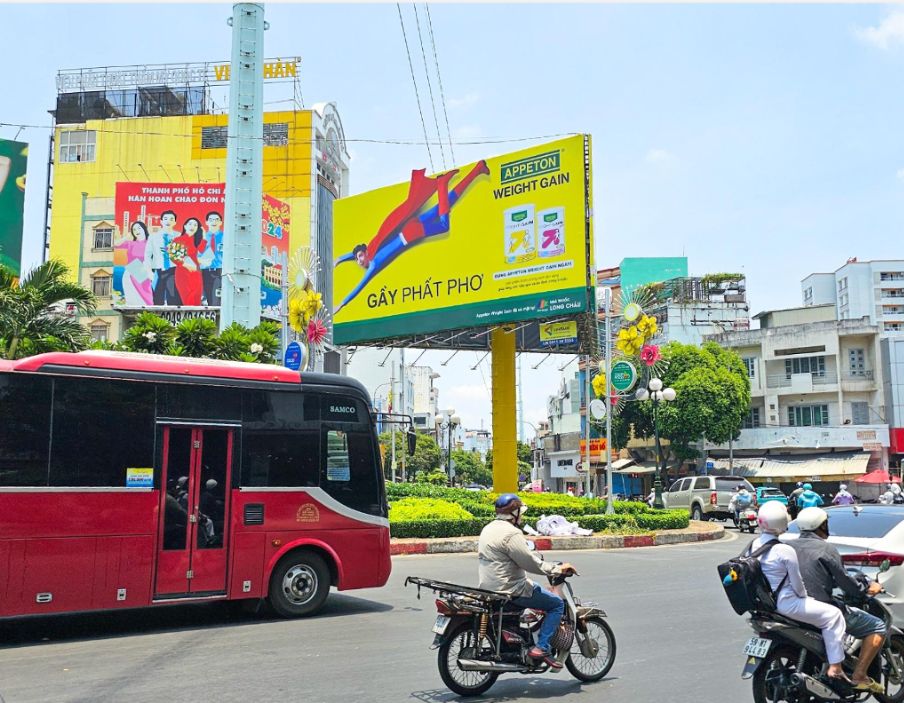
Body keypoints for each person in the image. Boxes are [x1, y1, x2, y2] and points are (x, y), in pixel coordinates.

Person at [334, 160, 490, 314]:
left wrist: (341, 304)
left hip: (410, 234)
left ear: (366, 253)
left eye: (360, 256)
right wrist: (340, 259)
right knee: (443, 205)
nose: (359, 261)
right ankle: (477, 170)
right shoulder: (372, 248)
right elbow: (355, 254)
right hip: (409, 225)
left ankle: (442, 184)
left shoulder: (372, 264)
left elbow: (358, 287)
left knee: (444, 225)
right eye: (357, 259)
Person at [790, 507, 886, 694]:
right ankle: (859, 675)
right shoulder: (827, 549)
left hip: (791, 607)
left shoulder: (788, 546)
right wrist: (865, 588)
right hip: (820, 608)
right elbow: (846, 583)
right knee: (877, 626)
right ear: (822, 525)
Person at [478, 493, 576, 667]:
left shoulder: (488, 528)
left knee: (538, 593)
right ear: (514, 514)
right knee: (556, 604)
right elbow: (530, 563)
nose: (521, 516)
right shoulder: (511, 533)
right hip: (511, 588)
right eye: (520, 513)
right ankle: (542, 646)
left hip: (488, 587)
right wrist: (555, 569)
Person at [753, 501, 848, 681]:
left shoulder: (754, 546)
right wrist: (807, 598)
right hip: (787, 604)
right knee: (834, 615)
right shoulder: (784, 550)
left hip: (765, 605)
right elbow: (798, 586)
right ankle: (835, 666)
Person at [146, 210, 182, 305]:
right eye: (165, 219)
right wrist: (149, 271)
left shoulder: (179, 236)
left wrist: (171, 251)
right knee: (157, 296)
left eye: (171, 219)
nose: (168, 221)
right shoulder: (153, 237)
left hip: (174, 270)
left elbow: (182, 255)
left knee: (173, 296)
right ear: (161, 221)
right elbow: (147, 255)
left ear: (175, 222)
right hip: (158, 270)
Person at [114, 221, 154, 305]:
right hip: (133, 268)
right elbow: (115, 244)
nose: (137, 231)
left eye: (139, 228)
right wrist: (126, 237)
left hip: (145, 270)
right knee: (134, 297)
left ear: (144, 229)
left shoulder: (150, 243)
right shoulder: (130, 243)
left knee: (147, 295)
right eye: (134, 229)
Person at [171, 217, 204, 305]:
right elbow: (175, 257)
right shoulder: (178, 240)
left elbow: (205, 255)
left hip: (196, 274)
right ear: (185, 226)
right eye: (190, 224)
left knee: (197, 298)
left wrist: (202, 235)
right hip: (183, 274)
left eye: (195, 225)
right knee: (187, 298)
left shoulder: (199, 241)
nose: (192, 226)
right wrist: (186, 264)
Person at [197, 210, 224, 306]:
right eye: (211, 220)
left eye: (217, 220)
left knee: (216, 299)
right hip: (204, 271)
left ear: (221, 222)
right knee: (205, 297)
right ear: (206, 222)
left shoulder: (225, 237)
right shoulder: (201, 237)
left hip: (219, 271)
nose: (214, 222)